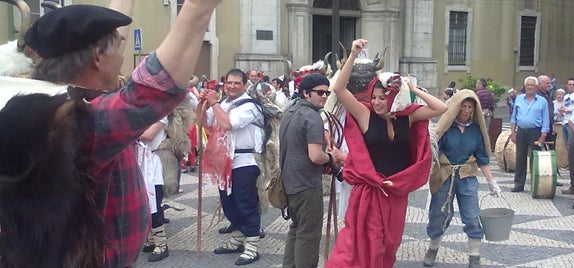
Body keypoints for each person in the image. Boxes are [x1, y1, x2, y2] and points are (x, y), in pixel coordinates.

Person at [0, 1, 222, 266]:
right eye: (118, 45)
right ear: (96, 57)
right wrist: (198, 9)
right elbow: (153, 92)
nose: (122, 54)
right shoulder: (72, 120)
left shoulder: (40, 102)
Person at [326, 39, 447, 268]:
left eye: (383, 97)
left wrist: (412, 88)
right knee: (362, 244)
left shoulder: (407, 117)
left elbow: (442, 108)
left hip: (395, 192)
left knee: (389, 245)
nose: (377, 102)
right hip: (369, 191)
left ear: (394, 96)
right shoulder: (365, 115)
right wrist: (353, 55)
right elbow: (339, 89)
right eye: (374, 97)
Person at [422, 89, 502, 268]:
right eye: (463, 106)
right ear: (456, 107)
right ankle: (433, 248)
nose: (466, 110)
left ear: (474, 110)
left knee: (472, 215)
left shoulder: (475, 131)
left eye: (470, 107)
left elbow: (482, 158)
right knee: (438, 213)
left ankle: (474, 255)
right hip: (444, 176)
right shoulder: (446, 129)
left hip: (467, 177)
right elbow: (432, 152)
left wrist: (491, 182)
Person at [201, 69, 264, 265]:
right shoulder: (224, 103)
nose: (232, 86)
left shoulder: (250, 106)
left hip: (245, 161)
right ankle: (237, 239)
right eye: (229, 82)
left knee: (245, 203)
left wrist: (213, 103)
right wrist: (203, 104)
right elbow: (205, 122)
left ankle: (252, 246)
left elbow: (227, 124)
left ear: (244, 85)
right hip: (224, 160)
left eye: (237, 83)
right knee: (229, 203)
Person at [279, 73, 334, 268]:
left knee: (296, 230)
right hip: (306, 185)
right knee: (308, 236)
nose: (324, 96)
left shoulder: (290, 112)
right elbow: (316, 156)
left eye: (326, 93)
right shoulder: (312, 117)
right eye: (320, 92)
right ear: (305, 93)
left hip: (289, 182)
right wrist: (333, 158)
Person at [137, 118, 170, 262]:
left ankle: (162, 244)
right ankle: (151, 240)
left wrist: (124, 130)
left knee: (154, 202)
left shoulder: (161, 113)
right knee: (143, 202)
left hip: (155, 161)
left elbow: (148, 135)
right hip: (139, 160)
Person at [510, 76, 550, 192]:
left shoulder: (542, 101)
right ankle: (518, 184)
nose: (530, 87)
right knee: (520, 158)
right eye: (528, 85)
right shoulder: (519, 99)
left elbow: (545, 119)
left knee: (536, 159)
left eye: (532, 85)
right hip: (521, 131)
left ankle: (536, 183)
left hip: (535, 132)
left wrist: (543, 135)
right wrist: (513, 133)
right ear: (525, 86)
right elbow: (514, 117)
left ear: (536, 87)